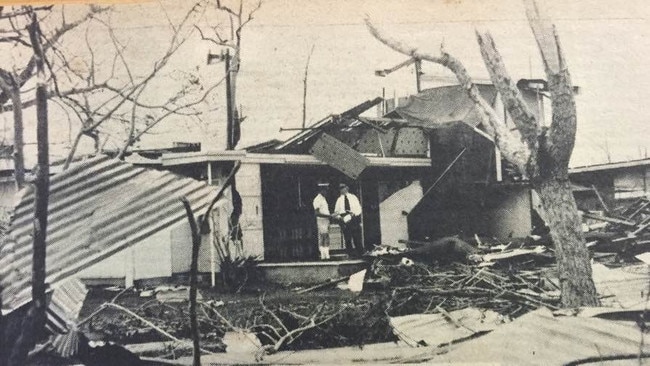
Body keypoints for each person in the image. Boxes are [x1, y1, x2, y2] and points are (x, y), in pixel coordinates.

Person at [334, 183, 363, 256]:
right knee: (347, 238)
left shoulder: (353, 197)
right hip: (344, 219)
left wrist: (354, 214)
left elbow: (359, 209)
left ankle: (360, 253)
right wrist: (340, 218)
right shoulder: (339, 200)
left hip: (353, 218)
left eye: (343, 188)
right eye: (340, 188)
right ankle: (350, 254)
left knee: (356, 237)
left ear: (347, 188)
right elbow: (336, 211)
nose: (342, 190)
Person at [313, 182, 331, 260]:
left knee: (325, 237)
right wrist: (329, 216)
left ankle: (325, 255)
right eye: (325, 190)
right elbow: (317, 213)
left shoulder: (323, 198)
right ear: (321, 190)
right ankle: (324, 255)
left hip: (325, 220)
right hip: (322, 221)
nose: (326, 192)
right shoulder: (317, 199)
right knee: (324, 237)